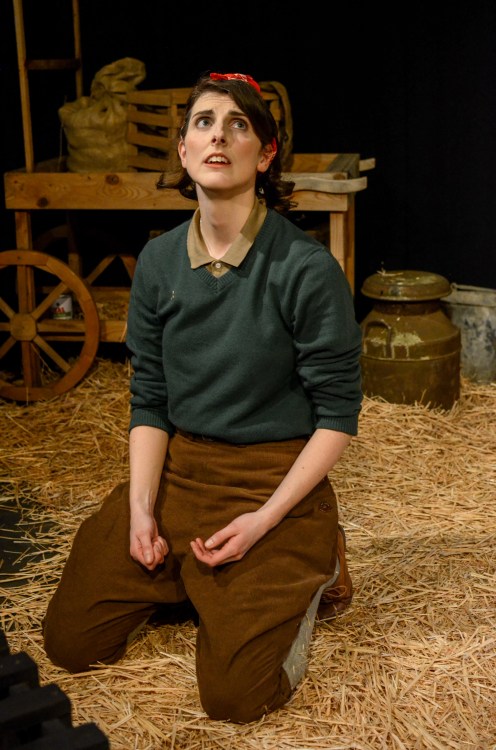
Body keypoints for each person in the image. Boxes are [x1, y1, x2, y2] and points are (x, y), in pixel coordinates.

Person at [43, 70, 362, 724]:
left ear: (265, 154)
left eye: (238, 125)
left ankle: (318, 559)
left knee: (236, 698)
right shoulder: (159, 263)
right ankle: (196, 584)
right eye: (204, 122)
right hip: (182, 470)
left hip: (269, 480)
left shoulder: (304, 269)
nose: (219, 135)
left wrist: (264, 521)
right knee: (70, 643)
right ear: (184, 150)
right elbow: (151, 399)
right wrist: (141, 510)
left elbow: (336, 416)